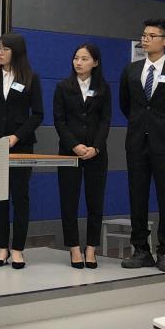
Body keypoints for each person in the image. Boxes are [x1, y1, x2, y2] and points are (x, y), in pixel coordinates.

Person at [119, 19, 165, 273]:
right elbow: (126, 105)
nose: (146, 39)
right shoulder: (131, 70)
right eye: (144, 35)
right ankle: (141, 249)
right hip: (136, 142)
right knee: (137, 196)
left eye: (152, 35)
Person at [0, 32, 43, 269]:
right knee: (0, 198)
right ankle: (2, 248)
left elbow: (37, 114)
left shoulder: (31, 78)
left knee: (20, 196)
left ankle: (18, 249)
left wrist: (16, 137)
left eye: (5, 49)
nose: (0, 53)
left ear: (17, 52)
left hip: (21, 145)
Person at [53, 44, 111, 269]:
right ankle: (74, 248)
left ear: (95, 62)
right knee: (69, 200)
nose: (79, 62)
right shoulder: (63, 87)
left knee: (95, 201)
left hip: (96, 153)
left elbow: (105, 121)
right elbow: (59, 121)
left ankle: (91, 248)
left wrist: (96, 147)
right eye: (76, 58)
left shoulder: (103, 88)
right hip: (69, 152)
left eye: (84, 59)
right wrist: (75, 145)